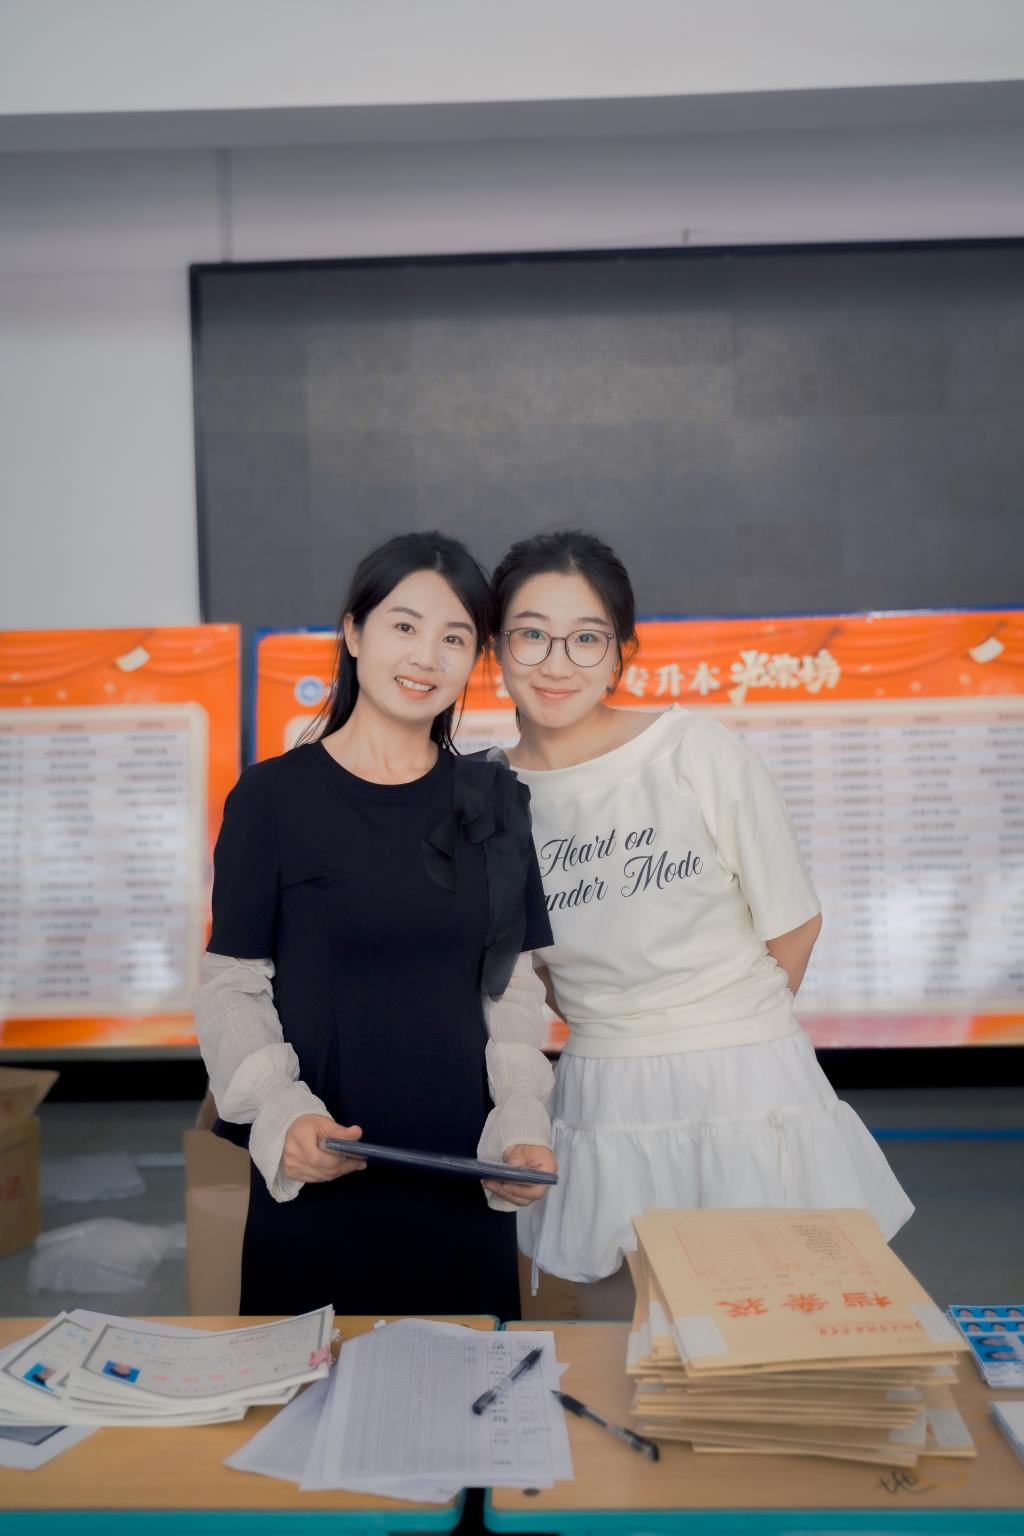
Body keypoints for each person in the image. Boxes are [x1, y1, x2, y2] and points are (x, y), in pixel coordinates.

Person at [488, 529, 914, 1317]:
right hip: (604, 1091)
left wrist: (723, 1038)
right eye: (531, 634)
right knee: (622, 1338)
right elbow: (525, 971)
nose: (556, 662)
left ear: (621, 654)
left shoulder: (693, 751)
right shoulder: (490, 793)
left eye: (587, 638)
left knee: (778, 1329)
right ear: (496, 647)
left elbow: (794, 924)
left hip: (746, 1080)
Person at [193, 532, 555, 1318]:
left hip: (460, 1176)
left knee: (470, 1384)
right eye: (404, 626)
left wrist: (521, 1118)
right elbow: (230, 985)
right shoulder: (272, 798)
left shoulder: (496, 802)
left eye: (454, 637)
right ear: (354, 633)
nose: (427, 656)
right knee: (315, 1388)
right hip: (320, 1165)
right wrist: (281, 1111)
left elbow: (512, 986)